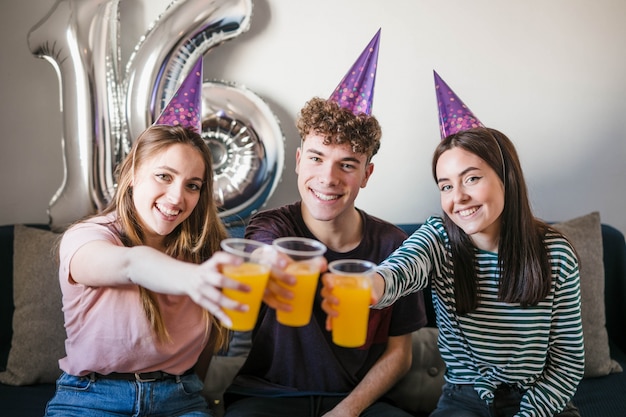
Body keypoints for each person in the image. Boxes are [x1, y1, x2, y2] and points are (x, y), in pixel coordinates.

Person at [322, 73, 584, 417]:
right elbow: (402, 268)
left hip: (540, 401)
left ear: (506, 177)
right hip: (465, 400)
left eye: (471, 178)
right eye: (445, 186)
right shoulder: (439, 238)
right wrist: (371, 285)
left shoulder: (556, 254)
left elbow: (568, 364)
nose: (458, 198)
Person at [223, 29, 427, 417]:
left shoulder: (395, 245)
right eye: (316, 158)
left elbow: (399, 354)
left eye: (346, 165)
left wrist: (347, 412)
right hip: (267, 396)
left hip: (357, 405)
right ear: (299, 161)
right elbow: (265, 255)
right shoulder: (270, 228)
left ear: (366, 174)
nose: (328, 178)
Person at [44, 60, 260, 417]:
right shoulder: (87, 237)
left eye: (192, 185)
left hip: (181, 399)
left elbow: (208, 349)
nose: (177, 198)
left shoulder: (207, 251)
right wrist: (197, 280)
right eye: (164, 176)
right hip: (90, 398)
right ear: (132, 174)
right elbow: (131, 264)